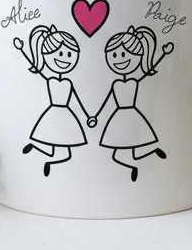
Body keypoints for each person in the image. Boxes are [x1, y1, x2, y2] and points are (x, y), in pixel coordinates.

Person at [92, 26, 174, 182]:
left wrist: (163, 54)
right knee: (128, 150)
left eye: (123, 54)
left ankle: (136, 165)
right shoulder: (118, 84)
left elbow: (148, 71)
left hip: (128, 116)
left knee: (122, 151)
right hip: (123, 117)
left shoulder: (133, 81)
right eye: (114, 54)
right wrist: (95, 116)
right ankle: (148, 154)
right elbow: (108, 101)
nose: (119, 59)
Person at [13, 24, 93, 176]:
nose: (65, 58)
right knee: (64, 151)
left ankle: (37, 149)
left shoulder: (58, 81)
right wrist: (22, 50)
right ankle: (44, 157)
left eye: (69, 55)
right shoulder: (53, 80)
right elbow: (36, 68)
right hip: (60, 114)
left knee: (56, 148)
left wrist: (88, 116)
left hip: (58, 114)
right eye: (60, 53)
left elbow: (76, 100)